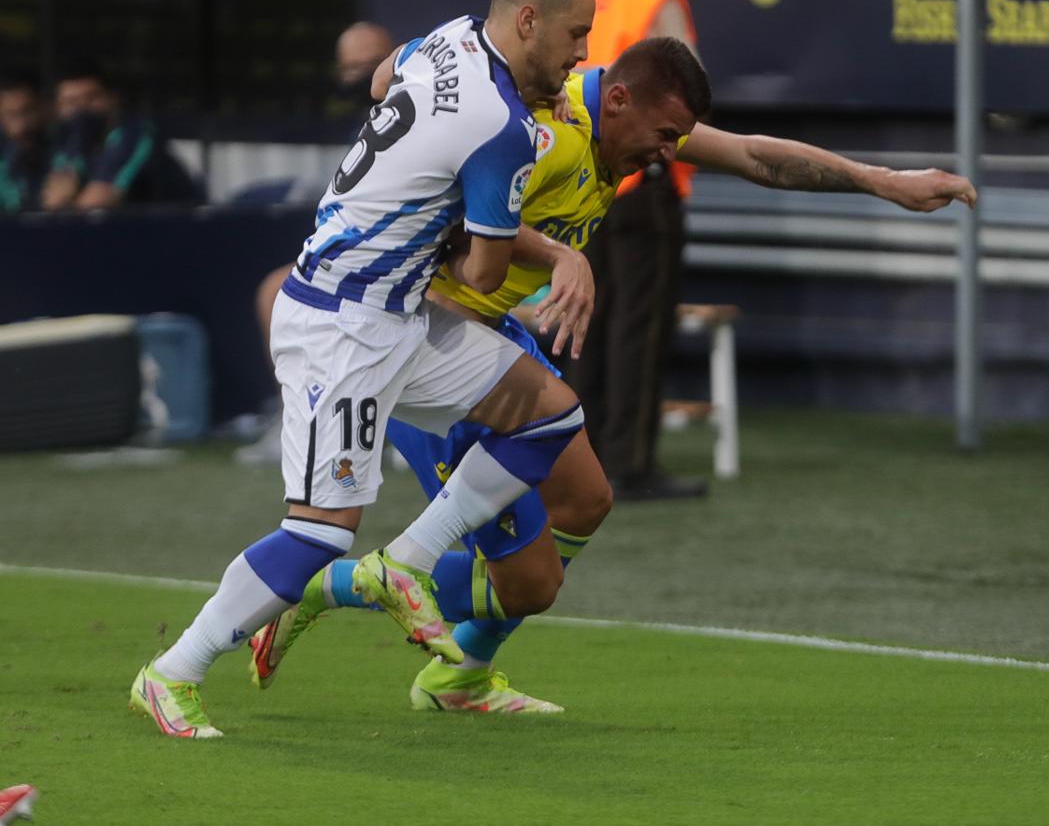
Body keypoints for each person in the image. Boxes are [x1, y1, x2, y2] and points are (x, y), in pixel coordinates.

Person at [246, 37, 977, 714]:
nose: (666, 155)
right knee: (530, 584)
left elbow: (758, 156)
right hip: (433, 347)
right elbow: (453, 213)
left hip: (492, 333)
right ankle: (315, 585)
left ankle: (453, 674)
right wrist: (563, 258)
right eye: (662, 137)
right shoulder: (543, 131)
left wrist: (884, 182)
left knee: (589, 499)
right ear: (621, 101)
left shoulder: (617, 121)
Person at [129, 0, 600, 739]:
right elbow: (485, 278)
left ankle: (403, 563)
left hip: (399, 315)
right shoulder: (506, 130)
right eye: (573, 36)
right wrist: (546, 248)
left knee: (550, 413)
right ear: (528, 21)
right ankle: (171, 672)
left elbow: (386, 80)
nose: (582, 54)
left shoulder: (449, 37)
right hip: (346, 329)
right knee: (315, 532)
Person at [570, 0, 708, 501]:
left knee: (584, 323)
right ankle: (630, 464)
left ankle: (582, 458)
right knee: (641, 325)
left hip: (579, 177)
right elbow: (687, 94)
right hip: (644, 180)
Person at [235, 21, 399, 467]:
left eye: (371, 66)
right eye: (352, 70)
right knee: (276, 289)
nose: (362, 80)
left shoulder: (420, 105)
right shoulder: (354, 123)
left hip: (410, 256)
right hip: (359, 254)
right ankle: (301, 421)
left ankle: (401, 429)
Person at [40, 62, 199, 211]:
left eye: (91, 98)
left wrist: (68, 201)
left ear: (113, 98)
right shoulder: (69, 142)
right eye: (71, 102)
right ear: (57, 108)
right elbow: (52, 203)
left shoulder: (135, 134)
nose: (82, 110)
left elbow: (97, 203)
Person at [0, 70, 50, 214]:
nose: (20, 127)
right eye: (10, 115)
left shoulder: (66, 153)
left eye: (27, 112)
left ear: (45, 107)